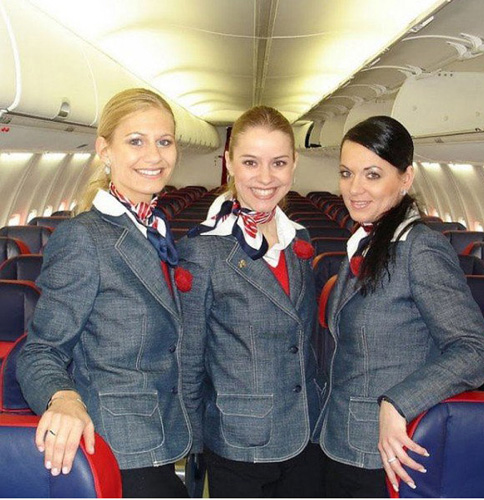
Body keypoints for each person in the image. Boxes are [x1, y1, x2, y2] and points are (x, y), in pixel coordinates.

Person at [17, 88, 192, 498]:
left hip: (162, 433)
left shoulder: (152, 227)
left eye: (164, 141)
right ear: (104, 150)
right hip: (117, 446)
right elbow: (40, 350)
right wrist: (62, 398)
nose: (154, 155)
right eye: (136, 141)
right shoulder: (83, 238)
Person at [315, 115, 484, 497]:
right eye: (347, 173)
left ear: (406, 178)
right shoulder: (367, 240)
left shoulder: (421, 250)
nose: (355, 188)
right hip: (341, 442)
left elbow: (476, 349)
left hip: (385, 456)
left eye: (372, 174)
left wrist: (399, 403)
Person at [177, 106, 326, 498]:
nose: (265, 178)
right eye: (250, 162)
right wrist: (194, 445)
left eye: (278, 162)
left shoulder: (299, 238)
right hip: (239, 444)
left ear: (294, 163)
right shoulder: (202, 250)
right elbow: (189, 359)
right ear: (228, 162)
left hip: (307, 432)